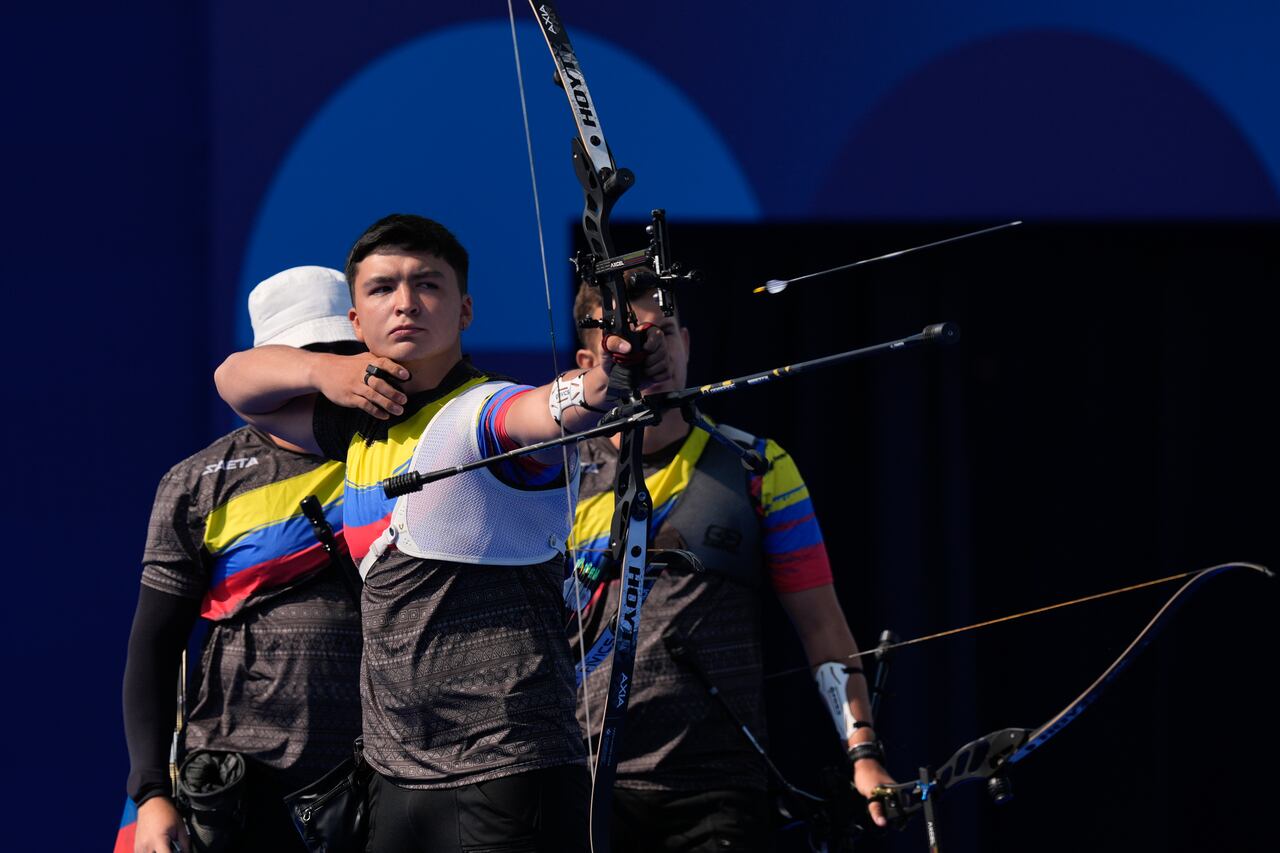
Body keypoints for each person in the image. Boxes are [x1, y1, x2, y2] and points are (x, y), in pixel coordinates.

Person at [212, 213, 670, 853]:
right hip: (394, 778)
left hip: (507, 769)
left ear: (465, 311)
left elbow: (546, 409)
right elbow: (234, 379)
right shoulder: (359, 424)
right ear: (355, 323)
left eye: (428, 285)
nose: (405, 303)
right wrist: (327, 375)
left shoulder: (487, 410)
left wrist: (606, 380)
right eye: (381, 289)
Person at [567, 272, 896, 852]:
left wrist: (863, 754)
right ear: (590, 359)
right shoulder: (552, 476)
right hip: (579, 780)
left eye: (666, 331)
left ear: (688, 342)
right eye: (631, 336)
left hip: (714, 790)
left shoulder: (758, 468)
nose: (655, 349)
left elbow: (822, 624)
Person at [121, 266, 366, 853]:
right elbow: (156, 645)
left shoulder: (395, 448)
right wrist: (151, 792)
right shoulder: (196, 481)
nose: (327, 373)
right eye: (309, 356)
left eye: (341, 353)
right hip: (240, 778)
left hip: (383, 769)